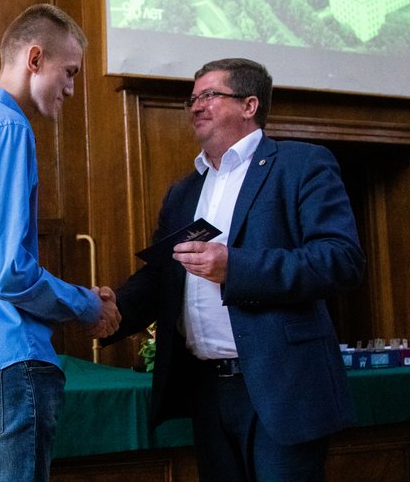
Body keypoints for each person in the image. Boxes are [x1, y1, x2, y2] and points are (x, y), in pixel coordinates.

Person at [102, 58, 365, 481]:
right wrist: (112, 309)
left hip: (282, 387)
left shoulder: (301, 165)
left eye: (209, 95)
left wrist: (235, 267)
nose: (195, 106)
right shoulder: (183, 191)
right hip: (206, 390)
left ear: (249, 105)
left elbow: (340, 259)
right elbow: (162, 276)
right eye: (192, 99)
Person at [0, 3, 121, 482]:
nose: (72, 88)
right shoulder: (8, 128)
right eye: (70, 72)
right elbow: (9, 272)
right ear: (35, 59)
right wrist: (86, 304)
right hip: (6, 365)